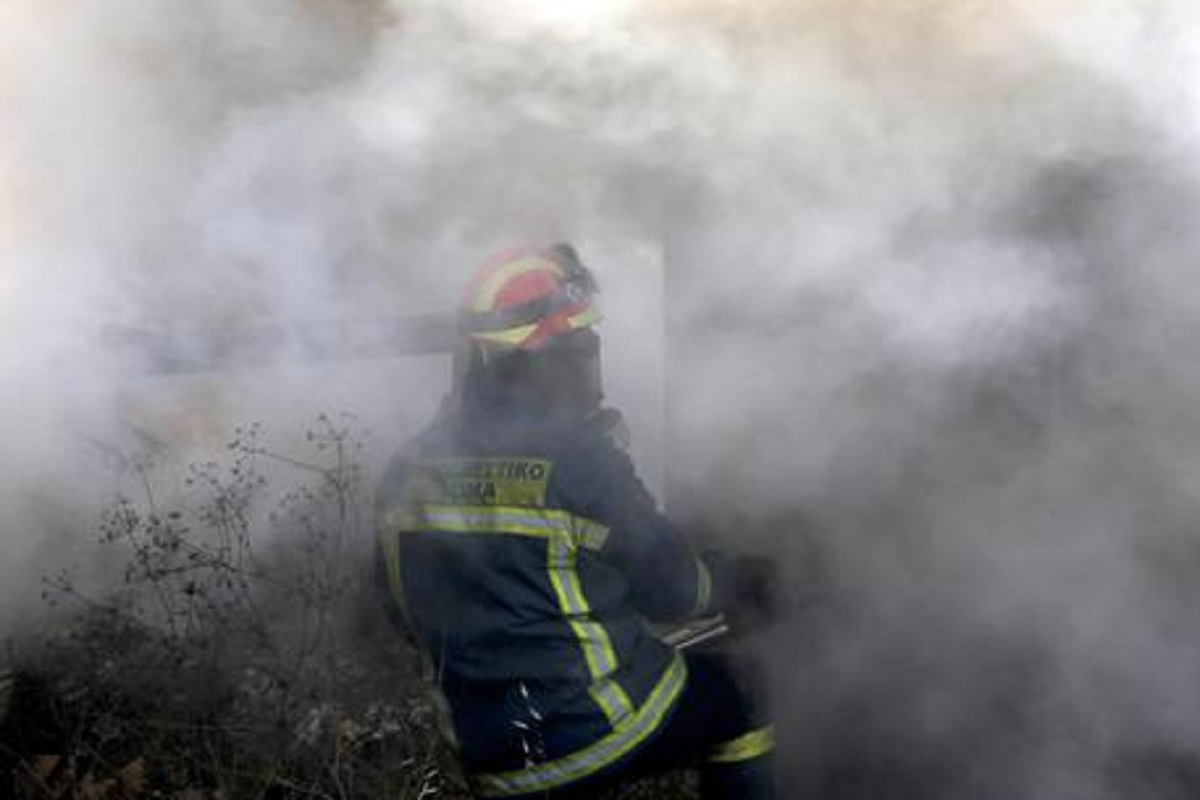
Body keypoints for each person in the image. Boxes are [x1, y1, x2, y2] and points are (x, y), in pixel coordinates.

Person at [375, 243, 777, 799]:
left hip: (493, 757)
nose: (589, 365)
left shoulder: (408, 467)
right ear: (544, 357)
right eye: (581, 348)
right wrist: (738, 581)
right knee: (736, 694)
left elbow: (400, 613)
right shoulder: (577, 460)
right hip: (591, 731)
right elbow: (674, 591)